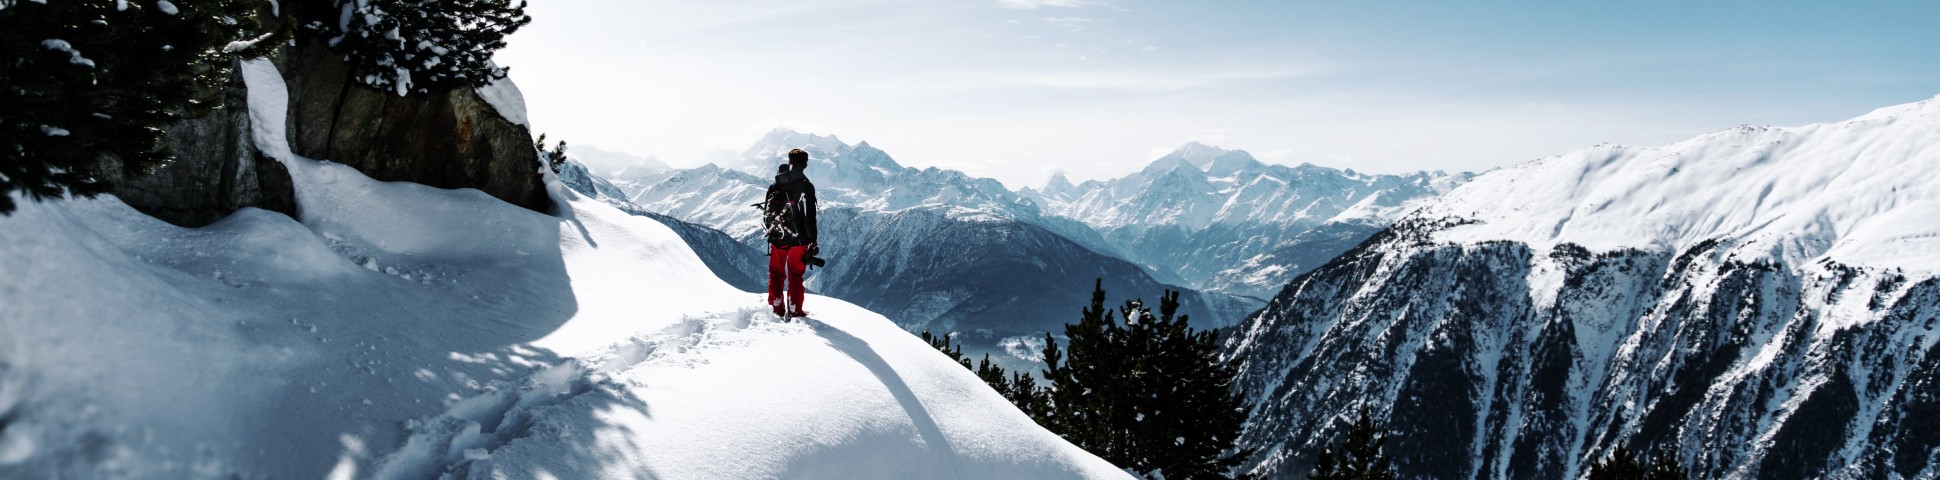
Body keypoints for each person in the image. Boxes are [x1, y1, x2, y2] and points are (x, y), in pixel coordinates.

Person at [764, 148, 818, 317]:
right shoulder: (806, 186)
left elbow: (767, 212)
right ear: (805, 164)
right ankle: (795, 309)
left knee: (776, 273)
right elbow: (810, 216)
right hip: (799, 239)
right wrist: (813, 240)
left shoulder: (775, 184)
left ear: (789, 162)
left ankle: (777, 306)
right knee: (795, 274)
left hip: (777, 236)